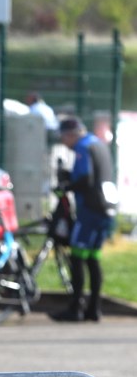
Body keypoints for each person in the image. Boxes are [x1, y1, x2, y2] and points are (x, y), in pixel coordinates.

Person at [50, 116, 116, 323]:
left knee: (77, 257)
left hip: (90, 210)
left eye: (63, 138)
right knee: (93, 258)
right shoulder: (99, 144)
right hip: (106, 208)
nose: (64, 143)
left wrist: (66, 186)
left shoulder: (82, 147)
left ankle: (75, 308)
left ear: (71, 135)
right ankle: (94, 308)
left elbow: (86, 178)